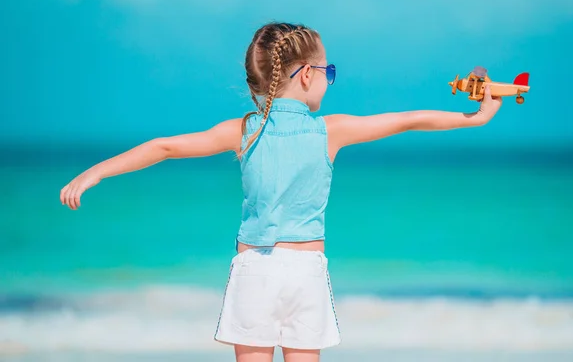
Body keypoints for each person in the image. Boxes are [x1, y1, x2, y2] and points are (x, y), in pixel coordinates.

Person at [60, 22, 502, 362]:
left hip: (254, 268)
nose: (330, 79)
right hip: (306, 271)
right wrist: (477, 118)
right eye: (329, 71)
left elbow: (165, 147)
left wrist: (96, 172)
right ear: (307, 75)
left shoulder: (244, 131)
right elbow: (409, 119)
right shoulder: (331, 130)